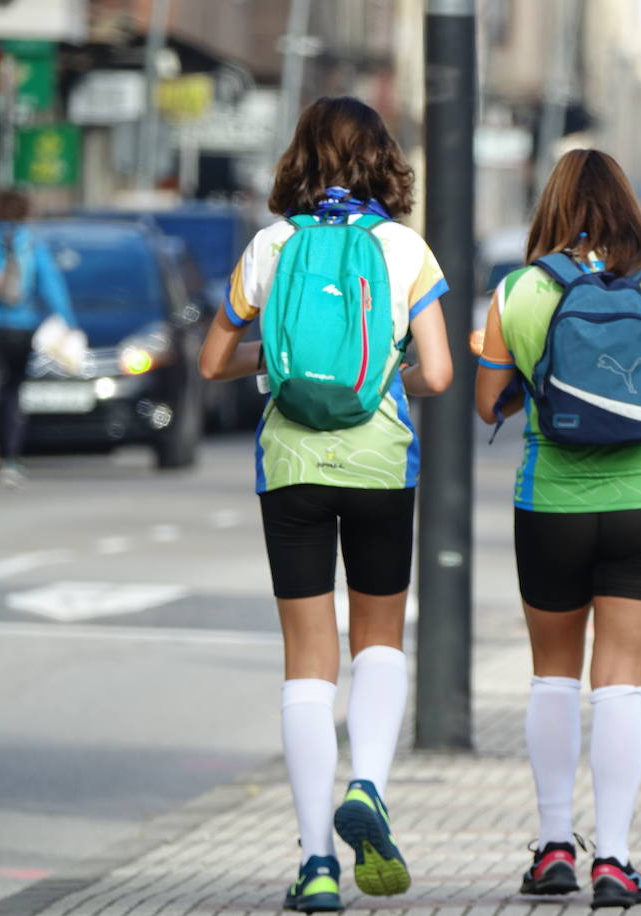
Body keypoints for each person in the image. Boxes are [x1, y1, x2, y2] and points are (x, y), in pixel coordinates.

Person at [198, 97, 454, 912]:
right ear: (383, 159)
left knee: (307, 659)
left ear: (299, 158)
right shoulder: (403, 247)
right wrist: (379, 376)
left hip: (292, 464)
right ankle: (369, 787)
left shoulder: (271, 246)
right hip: (380, 463)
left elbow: (211, 362)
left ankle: (314, 864)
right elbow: (441, 375)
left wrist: (278, 366)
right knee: (379, 640)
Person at [474, 148, 641, 909]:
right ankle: (614, 862)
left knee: (553, 673)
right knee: (620, 684)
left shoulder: (520, 290)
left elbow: (489, 403)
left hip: (550, 503)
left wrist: (522, 376)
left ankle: (555, 845)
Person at [0, 188, 77, 491]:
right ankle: (11, 460)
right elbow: (52, 288)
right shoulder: (32, 245)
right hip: (22, 328)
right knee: (13, 392)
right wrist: (68, 325)